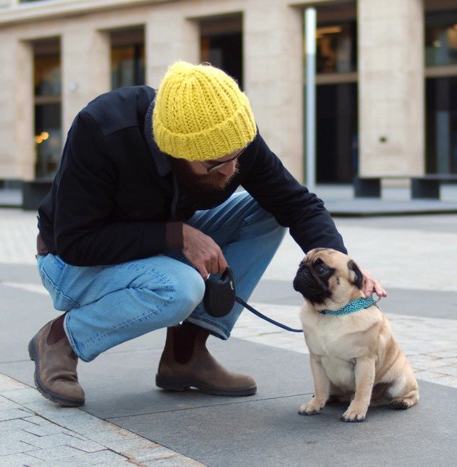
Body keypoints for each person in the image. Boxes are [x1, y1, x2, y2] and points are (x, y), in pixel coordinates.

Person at [29, 61, 386, 407]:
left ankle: (185, 356)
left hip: (154, 243)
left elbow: (297, 204)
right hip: (70, 262)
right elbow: (76, 242)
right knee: (180, 287)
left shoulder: (231, 134)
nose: (231, 169)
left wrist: (345, 268)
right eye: (215, 163)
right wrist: (176, 236)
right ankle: (61, 339)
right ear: (176, 151)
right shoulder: (102, 130)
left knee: (266, 212)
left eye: (237, 155)